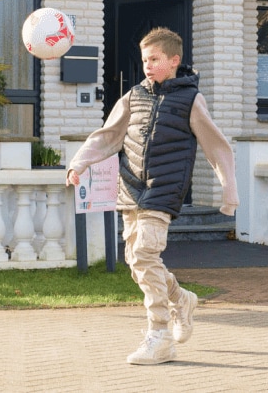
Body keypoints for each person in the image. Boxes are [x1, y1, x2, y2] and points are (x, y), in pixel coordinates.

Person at [66, 27, 238, 365]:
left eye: (155, 59)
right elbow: (108, 136)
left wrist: (228, 192)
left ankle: (159, 335)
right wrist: (79, 163)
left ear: (174, 61)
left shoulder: (191, 100)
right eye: (145, 59)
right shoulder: (133, 96)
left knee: (144, 254)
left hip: (164, 191)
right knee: (137, 263)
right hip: (130, 190)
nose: (148, 65)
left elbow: (216, 146)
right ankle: (181, 299)